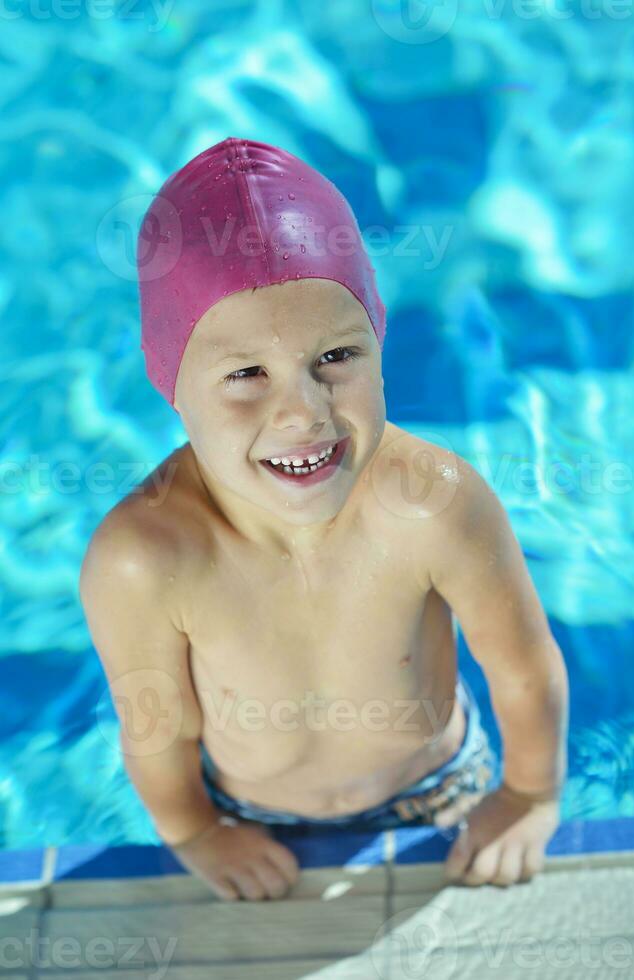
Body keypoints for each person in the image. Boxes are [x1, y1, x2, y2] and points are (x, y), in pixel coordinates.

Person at [79, 137, 569, 902]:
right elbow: (158, 729)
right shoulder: (145, 556)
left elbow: (523, 669)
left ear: (380, 340)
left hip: (438, 780)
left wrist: (530, 796)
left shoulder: (436, 502)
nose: (303, 413)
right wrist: (198, 832)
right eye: (246, 375)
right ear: (171, 384)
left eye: (336, 358)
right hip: (250, 808)